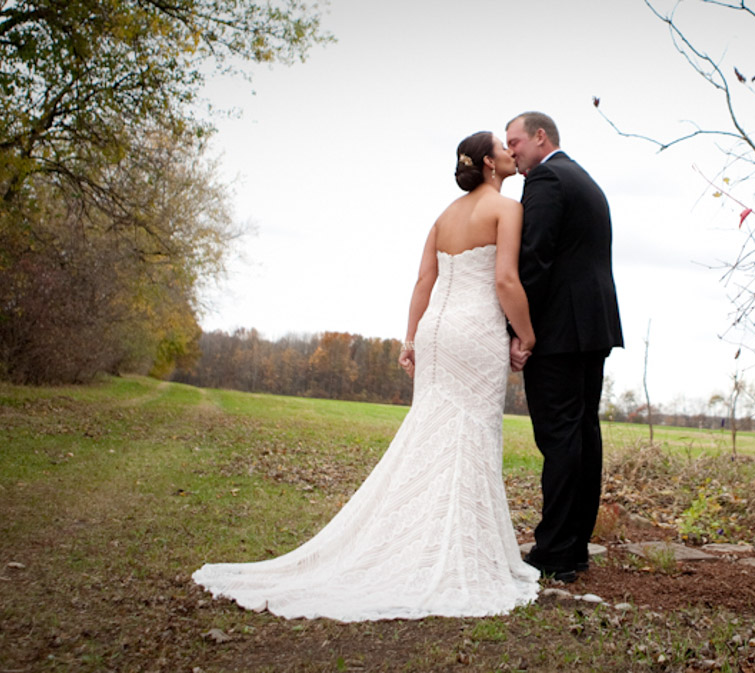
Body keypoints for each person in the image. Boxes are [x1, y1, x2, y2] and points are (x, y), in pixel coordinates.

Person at [192, 131, 541, 621]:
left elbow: (424, 281)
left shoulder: (443, 218)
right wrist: (526, 337)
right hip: (475, 332)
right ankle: (452, 550)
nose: (510, 154)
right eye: (503, 149)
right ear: (489, 163)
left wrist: (410, 340)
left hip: (438, 335)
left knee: (432, 432)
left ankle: (423, 536)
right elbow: (505, 280)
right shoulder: (507, 210)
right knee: (472, 435)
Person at [504, 111, 624, 583]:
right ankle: (573, 547)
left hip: (558, 330)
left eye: (515, 141)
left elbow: (535, 258)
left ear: (540, 136)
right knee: (581, 436)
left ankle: (553, 550)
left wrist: (517, 327)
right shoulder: (584, 177)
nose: (511, 150)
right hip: (591, 326)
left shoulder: (548, 177)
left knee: (559, 438)